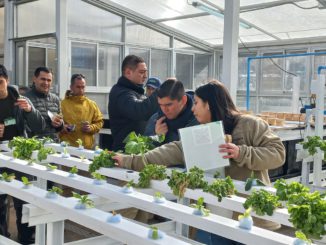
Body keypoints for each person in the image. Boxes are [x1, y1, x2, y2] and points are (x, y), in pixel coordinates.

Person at [114, 80, 285, 245]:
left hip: (250, 218)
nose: (193, 109)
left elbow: (278, 153)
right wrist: (129, 161)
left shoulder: (250, 124)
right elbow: (170, 152)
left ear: (209, 104)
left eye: (196, 103)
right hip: (213, 217)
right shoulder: (203, 132)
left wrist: (242, 152)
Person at [0, 64, 45, 244]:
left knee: (23, 201)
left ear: (7, 81)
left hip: (19, 157)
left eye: (0, 82)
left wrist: (30, 110)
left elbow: (39, 126)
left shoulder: (20, 100)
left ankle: (26, 239)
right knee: (0, 203)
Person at [109, 55, 159, 151]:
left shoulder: (136, 92)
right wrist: (161, 91)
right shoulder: (121, 93)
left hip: (136, 150)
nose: (145, 76)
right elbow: (140, 111)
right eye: (141, 72)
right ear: (128, 72)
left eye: (145, 72)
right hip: (125, 151)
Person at [144, 79, 198, 144]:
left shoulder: (200, 119)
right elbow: (145, 151)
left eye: (169, 105)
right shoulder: (155, 119)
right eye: (160, 104)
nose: (164, 110)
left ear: (184, 100)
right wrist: (157, 138)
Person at [59, 74, 103, 149]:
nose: (81, 90)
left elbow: (99, 122)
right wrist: (63, 127)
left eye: (83, 87)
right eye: (78, 87)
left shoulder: (91, 104)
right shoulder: (62, 104)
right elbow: (56, 123)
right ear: (71, 87)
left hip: (86, 148)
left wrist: (91, 127)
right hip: (67, 148)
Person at [25, 67, 63, 141]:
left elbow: (60, 123)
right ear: (34, 79)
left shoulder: (55, 99)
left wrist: (60, 124)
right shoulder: (25, 99)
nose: (46, 83)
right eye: (43, 79)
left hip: (53, 144)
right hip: (34, 145)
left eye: (49, 80)